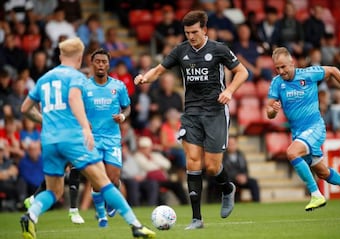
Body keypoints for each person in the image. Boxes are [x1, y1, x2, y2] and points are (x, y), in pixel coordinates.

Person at [19, 37, 155, 239]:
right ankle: (136, 225)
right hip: (72, 139)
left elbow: (25, 109)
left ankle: (31, 215)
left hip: (48, 140)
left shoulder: (45, 78)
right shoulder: (76, 77)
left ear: (60, 55)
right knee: (104, 182)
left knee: (55, 191)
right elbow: (74, 99)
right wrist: (84, 126)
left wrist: (45, 122)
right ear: (81, 57)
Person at [134, 10, 248, 230]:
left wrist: (230, 90)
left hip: (215, 112)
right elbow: (159, 70)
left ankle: (227, 189)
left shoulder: (219, 49)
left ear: (204, 30)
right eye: (187, 32)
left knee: (213, 167)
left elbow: (242, 72)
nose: (191, 36)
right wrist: (144, 78)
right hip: (192, 113)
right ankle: (197, 219)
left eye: (194, 32)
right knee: (193, 161)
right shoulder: (181, 50)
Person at [266, 47, 340, 211]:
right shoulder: (277, 83)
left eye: (283, 67)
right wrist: (273, 110)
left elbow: (334, 70)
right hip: (298, 133)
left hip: (315, 127)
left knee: (292, 152)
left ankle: (316, 194)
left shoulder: (308, 74)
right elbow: (269, 112)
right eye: (277, 68)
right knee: (323, 173)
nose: (281, 71)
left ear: (291, 63)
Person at [83, 48, 132, 228]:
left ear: (108, 64)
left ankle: (110, 202)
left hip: (112, 139)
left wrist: (123, 117)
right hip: (92, 139)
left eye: (104, 62)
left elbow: (127, 107)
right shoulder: (84, 87)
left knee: (113, 178)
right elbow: (76, 110)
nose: (101, 65)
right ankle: (101, 214)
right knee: (97, 179)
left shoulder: (118, 86)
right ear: (92, 63)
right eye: (98, 61)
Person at [223, 135, 260, 202]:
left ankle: (256, 202)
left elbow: (245, 169)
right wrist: (236, 177)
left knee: (253, 182)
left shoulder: (240, 155)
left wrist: (244, 177)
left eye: (233, 144)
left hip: (241, 178)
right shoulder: (223, 156)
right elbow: (225, 171)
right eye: (230, 144)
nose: (232, 146)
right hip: (230, 179)